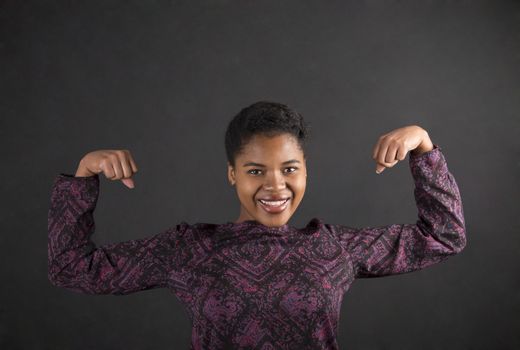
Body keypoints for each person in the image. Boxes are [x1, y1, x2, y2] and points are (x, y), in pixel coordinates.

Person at [48, 101, 466, 350]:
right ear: (232, 174)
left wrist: (423, 146)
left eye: (289, 169)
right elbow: (71, 267)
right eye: (254, 171)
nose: (275, 185)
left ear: (305, 171)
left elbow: (442, 236)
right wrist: (84, 176)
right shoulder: (190, 248)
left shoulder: (332, 248)